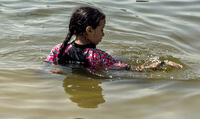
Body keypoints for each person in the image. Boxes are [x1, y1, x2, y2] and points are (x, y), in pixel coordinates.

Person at [46, 6, 181, 71]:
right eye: (102, 30)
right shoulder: (97, 56)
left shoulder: (59, 49)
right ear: (89, 30)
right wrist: (160, 64)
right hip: (100, 64)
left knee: (113, 54)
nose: (103, 34)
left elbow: (47, 64)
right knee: (114, 56)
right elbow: (131, 69)